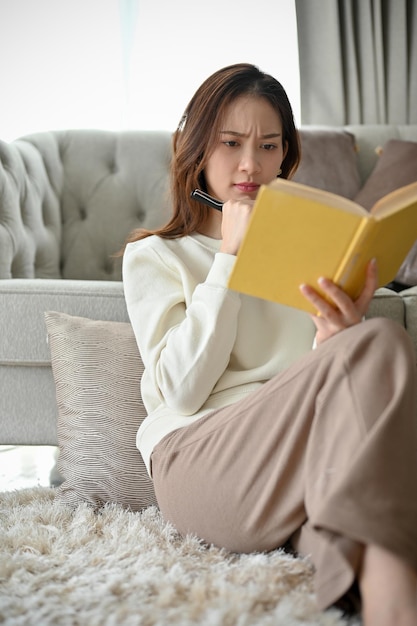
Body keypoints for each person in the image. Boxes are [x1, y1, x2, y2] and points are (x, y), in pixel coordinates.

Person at [122, 63, 417, 625]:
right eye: (230, 143)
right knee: (384, 341)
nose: (249, 165)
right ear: (197, 148)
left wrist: (334, 342)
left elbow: (319, 404)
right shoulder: (158, 257)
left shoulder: (309, 253)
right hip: (199, 459)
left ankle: (393, 605)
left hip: (296, 470)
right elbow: (181, 392)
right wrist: (228, 260)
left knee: (365, 514)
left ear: (286, 156)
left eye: (268, 146)